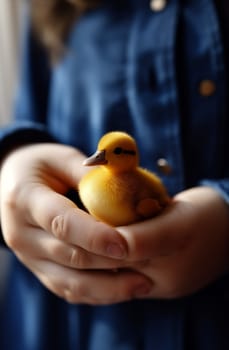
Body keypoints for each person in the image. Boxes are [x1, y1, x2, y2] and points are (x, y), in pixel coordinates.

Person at [0, 0, 229, 349]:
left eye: (112, 153)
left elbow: (152, 203)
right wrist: (13, 166)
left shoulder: (141, 193)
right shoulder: (52, 7)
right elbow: (27, 117)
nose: (99, 159)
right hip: (65, 323)